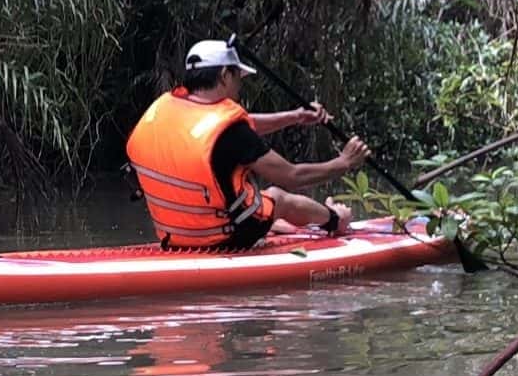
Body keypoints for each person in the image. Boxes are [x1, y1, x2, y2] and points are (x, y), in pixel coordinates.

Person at [124, 37, 372, 250]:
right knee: (277, 197)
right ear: (223, 76)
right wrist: (344, 162)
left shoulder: (165, 110)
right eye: (238, 78)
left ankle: (277, 225)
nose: (240, 85)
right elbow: (292, 175)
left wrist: (295, 117)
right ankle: (335, 220)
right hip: (223, 238)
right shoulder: (230, 132)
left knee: (260, 204)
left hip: (174, 237)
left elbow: (234, 127)